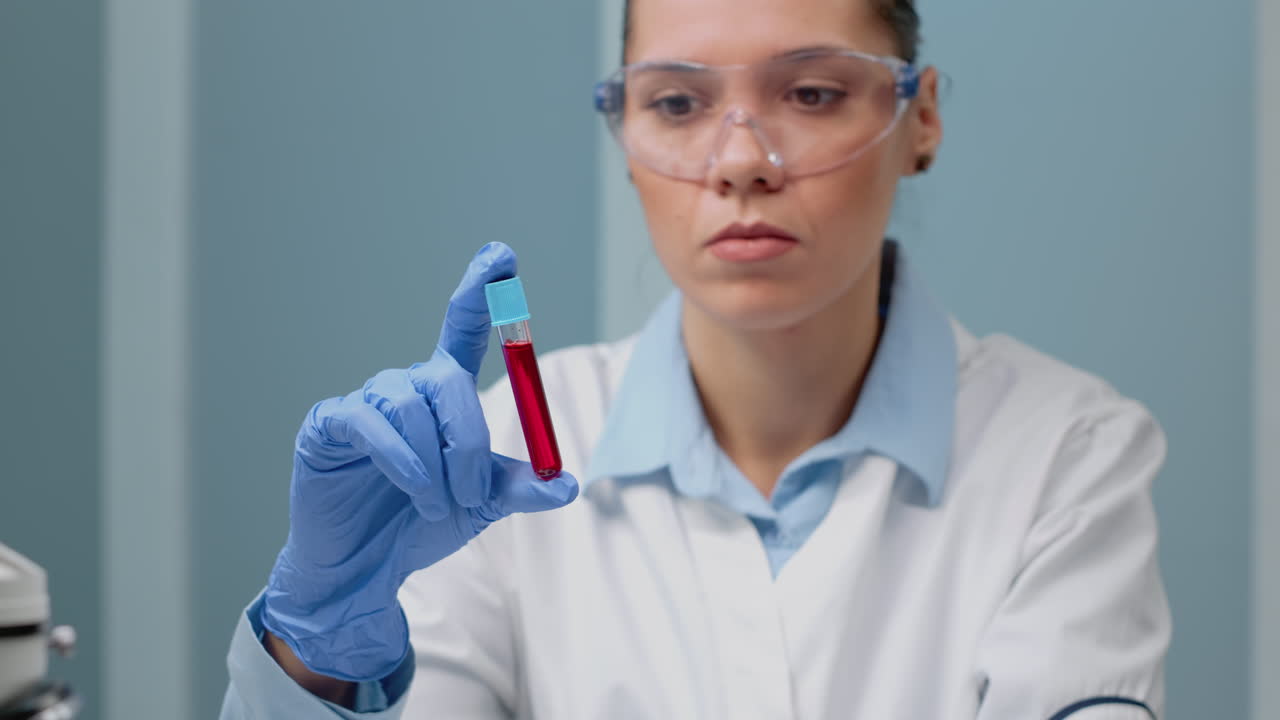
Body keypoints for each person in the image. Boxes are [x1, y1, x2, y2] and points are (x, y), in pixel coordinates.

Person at [219, 0, 1171, 717]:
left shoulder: (1069, 452)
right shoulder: (500, 456)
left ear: (917, 117)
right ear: (626, 139)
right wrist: (323, 663)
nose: (741, 159)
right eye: (677, 102)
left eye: (810, 93)